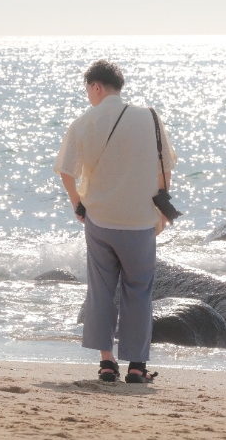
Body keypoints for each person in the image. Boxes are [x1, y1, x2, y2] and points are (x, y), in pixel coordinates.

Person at [54, 59, 176, 383]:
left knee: (102, 290)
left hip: (101, 221)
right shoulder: (150, 118)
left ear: (96, 87)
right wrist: (163, 206)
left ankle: (107, 363)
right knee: (139, 291)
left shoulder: (83, 122)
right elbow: (166, 169)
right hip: (139, 222)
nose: (89, 97)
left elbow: (66, 170)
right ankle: (137, 366)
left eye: (89, 91)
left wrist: (78, 205)